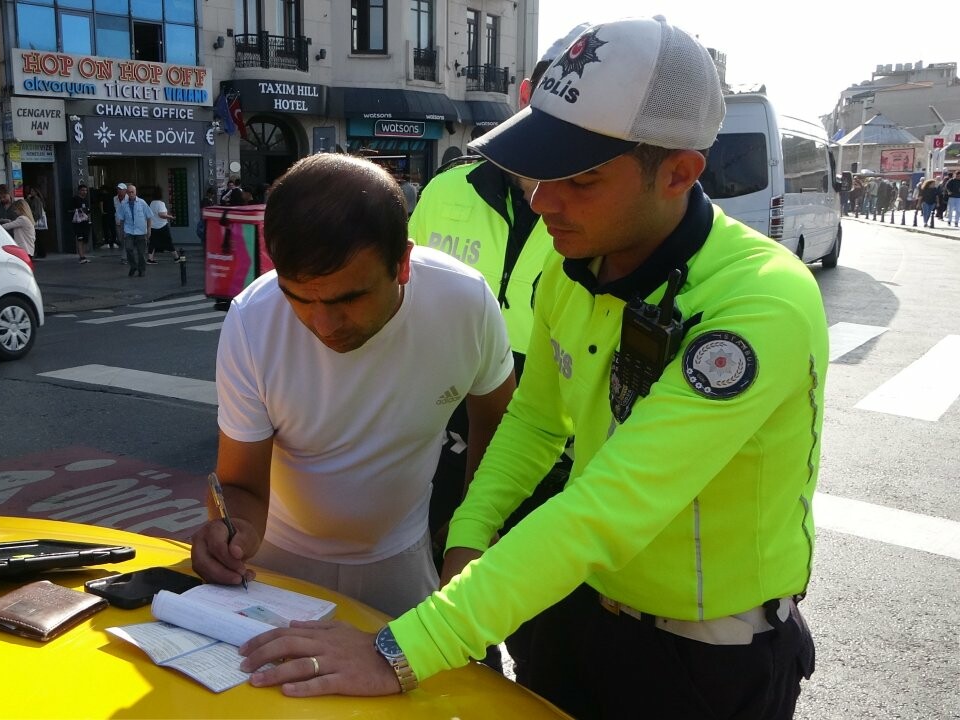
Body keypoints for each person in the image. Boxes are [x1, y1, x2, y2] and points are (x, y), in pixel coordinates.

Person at [241, 18, 825, 720]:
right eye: (540, 170)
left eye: (580, 179)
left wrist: (402, 649)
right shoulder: (571, 268)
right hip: (569, 614)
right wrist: (466, 536)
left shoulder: (762, 300)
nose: (544, 201)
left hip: (705, 660)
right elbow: (537, 420)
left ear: (678, 173)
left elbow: (611, 506)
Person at [189, 153, 515, 618]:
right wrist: (230, 530)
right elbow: (241, 485)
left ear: (402, 262)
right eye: (297, 297)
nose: (323, 324)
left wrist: (473, 526)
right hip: (276, 561)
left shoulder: (465, 302)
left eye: (349, 298)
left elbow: (499, 423)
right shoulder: (252, 320)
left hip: (400, 555)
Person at [408, 20, 588, 678]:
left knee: (546, 636)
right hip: (453, 417)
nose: (549, 197)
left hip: (557, 432)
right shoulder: (445, 190)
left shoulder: (593, 220)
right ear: (522, 95)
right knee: (458, 628)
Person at [117, 184, 153, 277]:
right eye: (129, 192)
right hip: (129, 231)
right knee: (129, 249)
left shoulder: (142, 202)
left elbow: (149, 217)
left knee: (141, 253)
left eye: (132, 192)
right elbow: (122, 219)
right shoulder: (123, 205)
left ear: (136, 192)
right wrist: (121, 232)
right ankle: (133, 266)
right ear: (126, 193)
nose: (131, 194)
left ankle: (142, 269)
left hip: (141, 231)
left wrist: (149, 229)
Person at [147, 189, 176, 263]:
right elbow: (161, 215)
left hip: (153, 226)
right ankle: (176, 257)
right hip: (162, 226)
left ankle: (150, 259)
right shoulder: (161, 203)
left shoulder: (152, 203)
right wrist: (170, 217)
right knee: (168, 241)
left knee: (152, 243)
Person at [70, 184, 93, 263]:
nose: (84, 192)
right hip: (77, 222)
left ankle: (84, 255)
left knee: (85, 239)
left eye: (86, 190)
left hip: (85, 222)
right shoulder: (75, 199)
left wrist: (89, 221)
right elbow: (70, 209)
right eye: (83, 190)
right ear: (79, 191)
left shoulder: (86, 200)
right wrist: (78, 210)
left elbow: (88, 211)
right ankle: (81, 256)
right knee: (80, 239)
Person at [25, 186, 47, 258]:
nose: (31, 193)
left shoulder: (37, 200)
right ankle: (40, 253)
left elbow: (37, 212)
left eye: (32, 191)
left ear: (36, 192)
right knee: (39, 237)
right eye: (30, 191)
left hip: (38, 221)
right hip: (38, 220)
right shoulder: (34, 199)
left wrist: (33, 219)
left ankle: (41, 253)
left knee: (39, 237)